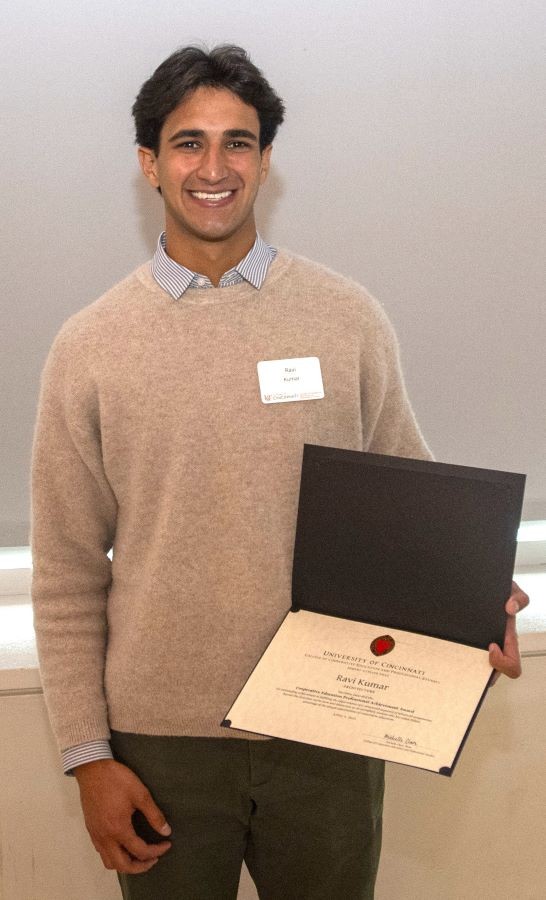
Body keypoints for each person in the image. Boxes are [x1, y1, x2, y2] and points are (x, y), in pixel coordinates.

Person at [31, 45, 529, 900]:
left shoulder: (347, 317)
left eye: (239, 143)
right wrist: (88, 759)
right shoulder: (90, 348)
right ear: (150, 163)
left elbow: (412, 503)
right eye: (188, 144)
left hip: (329, 732)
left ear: (266, 160)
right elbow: (68, 573)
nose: (214, 168)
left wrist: (475, 596)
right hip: (161, 747)